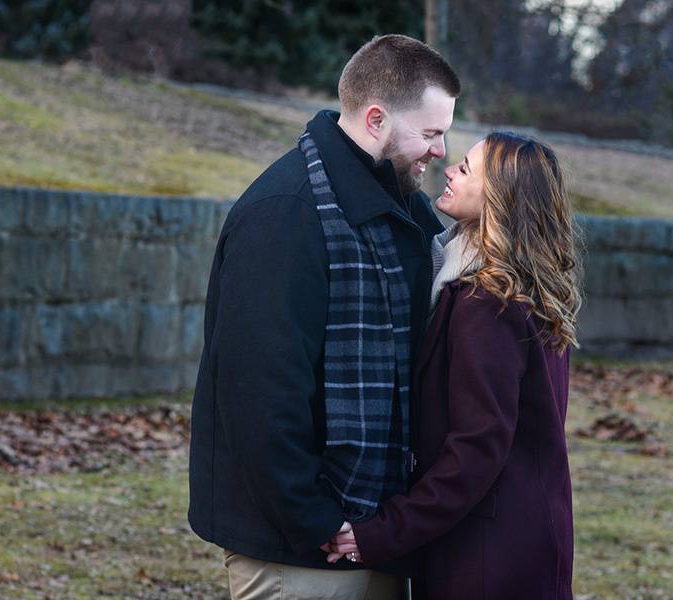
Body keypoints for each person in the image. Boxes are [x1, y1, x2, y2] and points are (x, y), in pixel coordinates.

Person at [187, 34, 460, 600]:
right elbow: (259, 389)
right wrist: (318, 521)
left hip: (377, 533)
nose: (440, 151)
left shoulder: (402, 208)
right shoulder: (286, 213)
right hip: (300, 550)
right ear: (376, 118)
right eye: (431, 133)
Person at [327, 132, 583, 600]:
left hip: (487, 559)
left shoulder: (487, 303)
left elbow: (474, 452)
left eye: (465, 169)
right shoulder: (523, 290)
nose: (448, 168)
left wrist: (382, 533)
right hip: (521, 539)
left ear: (499, 199)